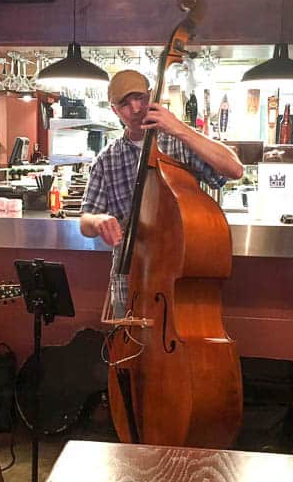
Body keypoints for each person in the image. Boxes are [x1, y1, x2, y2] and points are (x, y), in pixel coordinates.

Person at [79, 70, 243, 311]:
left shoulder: (179, 142)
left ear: (151, 97)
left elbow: (234, 169)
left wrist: (179, 128)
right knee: (127, 347)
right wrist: (98, 220)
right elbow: (85, 221)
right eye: (125, 103)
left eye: (140, 98)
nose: (135, 108)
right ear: (114, 110)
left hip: (180, 274)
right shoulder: (107, 159)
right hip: (130, 279)